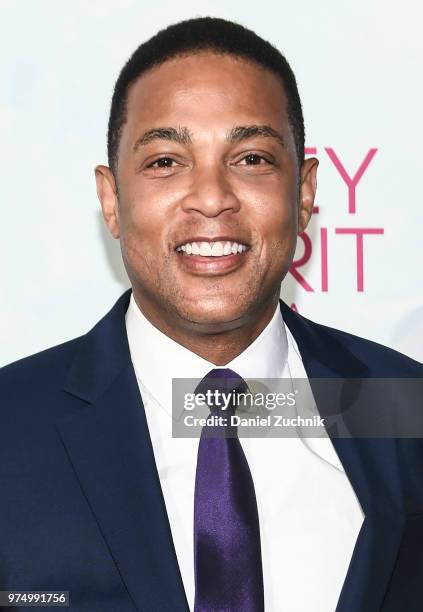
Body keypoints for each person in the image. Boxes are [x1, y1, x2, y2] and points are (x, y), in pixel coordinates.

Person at [1, 16, 422, 612]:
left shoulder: (406, 407)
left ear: (304, 194)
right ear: (110, 198)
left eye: (251, 158)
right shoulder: (10, 426)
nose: (212, 196)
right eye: (166, 162)